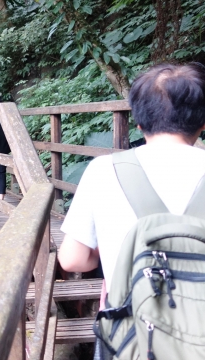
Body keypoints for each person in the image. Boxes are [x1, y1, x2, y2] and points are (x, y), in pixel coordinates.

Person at [58, 63, 205, 357]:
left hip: (133, 333)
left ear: (139, 122)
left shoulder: (104, 170)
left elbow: (73, 260)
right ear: (202, 122)